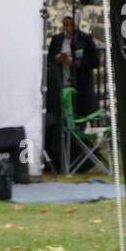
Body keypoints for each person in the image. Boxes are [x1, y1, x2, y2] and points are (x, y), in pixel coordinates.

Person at [46, 12, 99, 170]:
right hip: (61, 84)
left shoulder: (86, 39)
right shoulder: (57, 40)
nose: (68, 28)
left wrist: (76, 63)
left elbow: (95, 61)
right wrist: (58, 59)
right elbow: (49, 59)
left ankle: (81, 158)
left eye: (71, 25)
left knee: (79, 119)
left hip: (80, 87)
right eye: (65, 25)